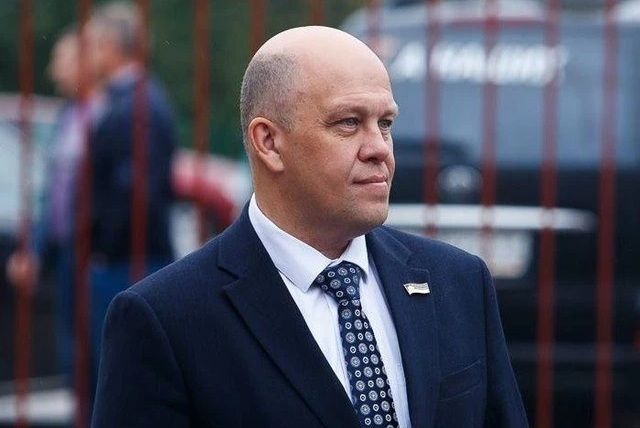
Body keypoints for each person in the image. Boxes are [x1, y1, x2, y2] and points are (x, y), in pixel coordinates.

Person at [92, 26, 528, 427]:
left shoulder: (458, 282)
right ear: (269, 142)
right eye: (349, 123)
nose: (379, 148)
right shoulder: (166, 319)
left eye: (385, 123)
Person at [85, 1, 175, 390]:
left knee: (124, 380)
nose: (87, 56)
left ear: (111, 46)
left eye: (92, 45)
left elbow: (135, 193)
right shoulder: (132, 100)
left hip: (130, 262)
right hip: (126, 259)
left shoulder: (137, 105)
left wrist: (103, 249)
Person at [7, 28, 103, 380]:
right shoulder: (68, 116)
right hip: (66, 257)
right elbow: (52, 194)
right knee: (75, 363)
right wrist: (36, 249)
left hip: (96, 258)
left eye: (61, 59)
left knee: (99, 357)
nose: (53, 71)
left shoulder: (107, 115)